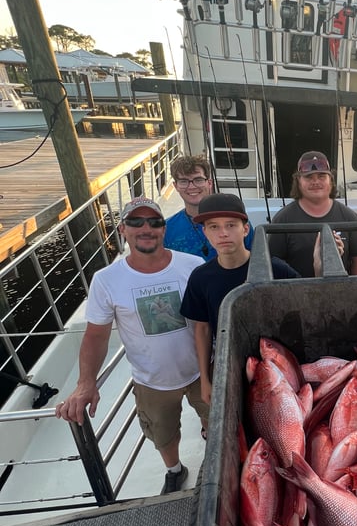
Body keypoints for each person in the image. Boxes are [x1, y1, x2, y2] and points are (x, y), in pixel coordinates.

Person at [55, 197, 209, 495]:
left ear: (164, 229)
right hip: (151, 379)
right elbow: (96, 336)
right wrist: (86, 383)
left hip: (203, 368)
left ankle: (213, 463)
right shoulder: (106, 280)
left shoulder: (193, 266)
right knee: (163, 434)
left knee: (215, 419)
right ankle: (175, 470)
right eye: (136, 222)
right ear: (123, 229)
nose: (146, 228)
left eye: (154, 222)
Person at [180, 193, 300, 404]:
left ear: (245, 229)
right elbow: (202, 328)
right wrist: (206, 379)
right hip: (230, 362)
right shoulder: (200, 278)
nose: (223, 233)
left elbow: (304, 305)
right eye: (214, 227)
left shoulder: (277, 268)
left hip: (278, 363)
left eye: (231, 225)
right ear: (205, 232)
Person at [268, 151, 357, 277]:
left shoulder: (350, 217)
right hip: (296, 294)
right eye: (308, 177)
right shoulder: (282, 219)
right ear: (298, 181)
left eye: (321, 176)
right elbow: (272, 263)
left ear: (330, 180)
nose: (315, 182)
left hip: (340, 293)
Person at [164, 153, 254, 261]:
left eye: (198, 180)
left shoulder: (237, 222)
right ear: (175, 186)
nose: (192, 186)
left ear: (209, 183)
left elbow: (256, 260)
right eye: (184, 181)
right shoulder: (166, 229)